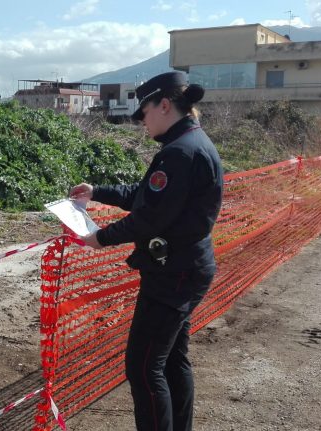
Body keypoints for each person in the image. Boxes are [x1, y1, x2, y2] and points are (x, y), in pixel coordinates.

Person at [69, 71, 223, 431]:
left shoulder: (179, 154)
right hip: (187, 267)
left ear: (164, 105)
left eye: (145, 112)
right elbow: (146, 198)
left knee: (143, 367)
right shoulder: (190, 144)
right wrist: (97, 192)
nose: (142, 121)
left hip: (173, 275)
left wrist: (100, 238)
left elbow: (149, 219)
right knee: (171, 361)